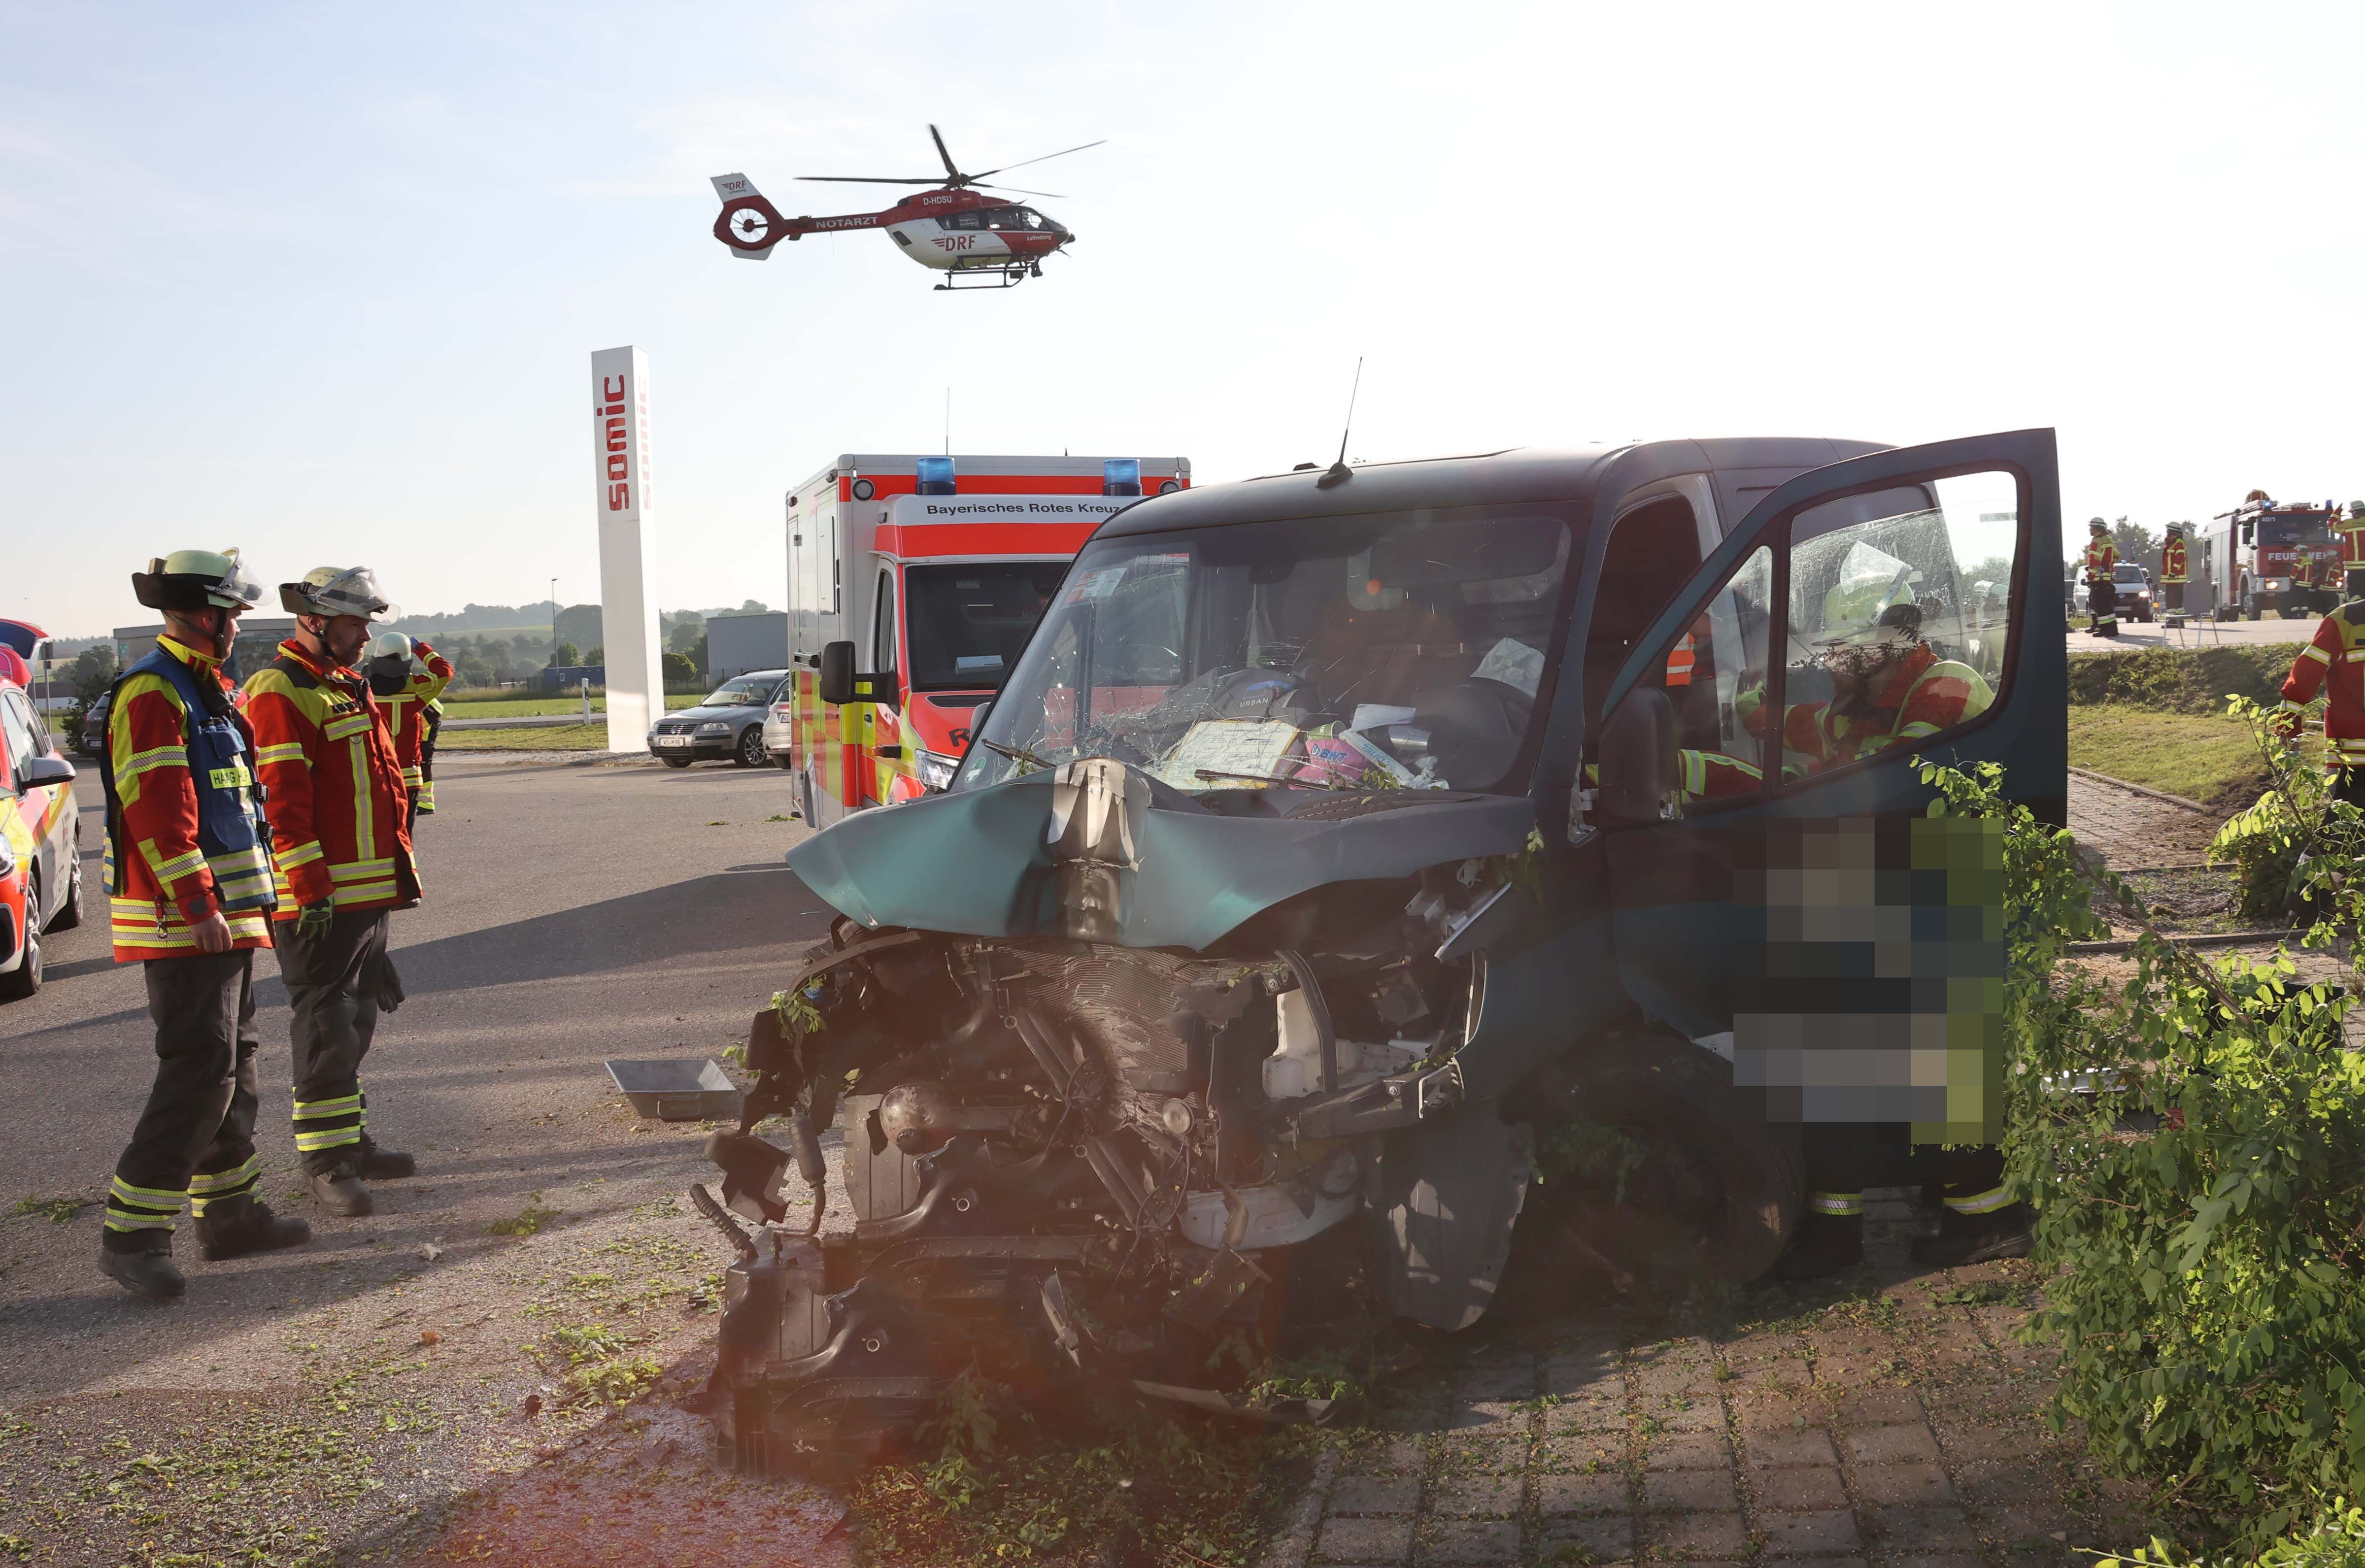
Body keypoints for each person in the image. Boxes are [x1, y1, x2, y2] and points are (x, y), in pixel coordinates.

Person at [97, 550, 311, 1299]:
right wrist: (199, 905)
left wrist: (258, 904)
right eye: (232, 613)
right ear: (202, 611)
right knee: (198, 1069)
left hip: (230, 917)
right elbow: (158, 806)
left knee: (235, 1066)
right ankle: (132, 1234)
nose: (238, 627)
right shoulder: (156, 689)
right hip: (186, 921)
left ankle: (230, 1215)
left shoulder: (206, 689)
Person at [243, 568, 422, 1218]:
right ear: (315, 621)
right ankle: (325, 1162)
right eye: (355, 622)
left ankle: (350, 1140)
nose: (365, 634)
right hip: (318, 903)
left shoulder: (345, 686)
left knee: (356, 1024)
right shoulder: (282, 691)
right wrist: (310, 889)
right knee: (326, 1031)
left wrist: (383, 903)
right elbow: (280, 804)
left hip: (362, 900)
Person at [1738, 603, 1994, 774]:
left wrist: (1803, 781)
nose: (1836, 666)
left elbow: (1901, 771)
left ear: (1885, 651)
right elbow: (1807, 726)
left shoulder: (1948, 686)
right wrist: (1754, 712)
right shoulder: (1874, 702)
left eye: (1851, 656)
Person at [2276, 594, 2365, 807]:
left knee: (2344, 836)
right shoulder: (2344, 621)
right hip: (2353, 766)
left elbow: (2303, 679)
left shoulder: (2346, 619)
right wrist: (2288, 730)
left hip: (2354, 763)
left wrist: (2288, 733)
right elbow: (2304, 679)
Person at [363, 632, 454, 828]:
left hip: (375, 775)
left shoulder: (362, 689)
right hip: (409, 777)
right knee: (404, 833)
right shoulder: (416, 688)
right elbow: (444, 672)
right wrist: (422, 649)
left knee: (379, 832)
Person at [2083, 518, 2119, 637]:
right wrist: (2107, 566)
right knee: (2107, 606)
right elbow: (2116, 555)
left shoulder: (2097, 541)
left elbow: (2094, 560)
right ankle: (2112, 629)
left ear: (2097, 528)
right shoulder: (2108, 540)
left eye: (2091, 527)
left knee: (2101, 606)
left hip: (2098, 579)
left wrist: (2091, 575)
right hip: (2106, 578)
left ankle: (2105, 629)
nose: (2090, 530)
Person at [2159, 523, 2188, 616]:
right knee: (2170, 600)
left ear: (2173, 532)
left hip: (2176, 577)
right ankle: (2172, 621)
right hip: (2171, 577)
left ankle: (2179, 621)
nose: (2167, 533)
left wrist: (2173, 572)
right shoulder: (2171, 544)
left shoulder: (2179, 543)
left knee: (2176, 600)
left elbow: (2181, 559)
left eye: (2168, 531)